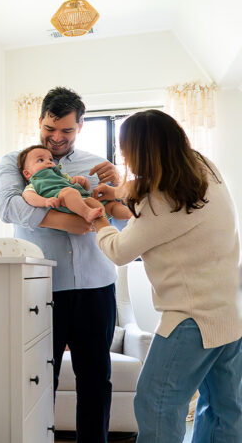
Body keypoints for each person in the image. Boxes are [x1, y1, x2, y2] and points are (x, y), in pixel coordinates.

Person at [92, 109, 242, 443]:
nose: (123, 155)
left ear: (142, 151)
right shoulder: (203, 169)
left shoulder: (162, 202)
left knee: (155, 403)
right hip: (230, 313)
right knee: (223, 409)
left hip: (192, 319)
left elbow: (119, 250)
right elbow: (151, 185)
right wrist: (118, 191)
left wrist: (98, 220)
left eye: (125, 149)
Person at [0, 87, 124, 442]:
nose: (56, 138)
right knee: (38, 377)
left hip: (97, 285)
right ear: (39, 121)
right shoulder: (16, 160)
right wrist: (73, 221)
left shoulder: (97, 165)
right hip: (41, 287)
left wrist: (121, 187)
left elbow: (122, 224)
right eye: (50, 128)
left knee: (96, 378)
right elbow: (10, 208)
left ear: (80, 126)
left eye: (66, 131)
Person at [17, 144, 132, 223]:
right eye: (41, 160)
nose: (48, 162)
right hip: (62, 203)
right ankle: (87, 213)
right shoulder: (35, 182)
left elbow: (83, 188)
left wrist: (82, 182)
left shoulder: (62, 176)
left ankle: (131, 215)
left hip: (82, 200)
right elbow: (29, 196)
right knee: (68, 192)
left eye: (50, 160)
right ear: (27, 174)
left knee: (108, 204)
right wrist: (45, 201)